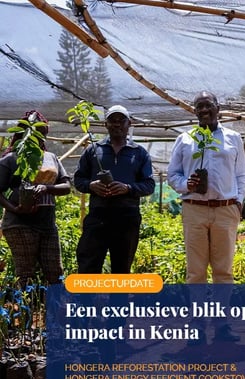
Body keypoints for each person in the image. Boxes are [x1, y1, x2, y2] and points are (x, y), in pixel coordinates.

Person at [167, 91, 245, 342]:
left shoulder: (233, 138)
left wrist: (238, 202)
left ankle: (222, 324)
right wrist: (187, 185)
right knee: (196, 271)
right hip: (194, 209)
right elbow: (173, 175)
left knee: (223, 270)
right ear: (194, 111)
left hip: (225, 210)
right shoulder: (186, 139)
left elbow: (241, 175)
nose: (203, 110)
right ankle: (198, 324)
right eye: (199, 106)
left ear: (218, 108)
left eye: (208, 105)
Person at [74, 105, 155, 274]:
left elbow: (149, 185)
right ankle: (86, 300)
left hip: (127, 217)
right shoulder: (94, 150)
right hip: (98, 215)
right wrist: (91, 185)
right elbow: (78, 179)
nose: (117, 124)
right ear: (106, 124)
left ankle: (118, 301)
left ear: (129, 123)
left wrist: (127, 188)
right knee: (89, 263)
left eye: (121, 120)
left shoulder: (139, 153)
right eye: (112, 120)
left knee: (122, 267)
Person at [0, 110, 71, 286]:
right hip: (19, 223)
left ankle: (53, 311)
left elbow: (66, 186)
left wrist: (47, 188)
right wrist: (14, 208)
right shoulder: (12, 158)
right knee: (25, 274)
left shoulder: (51, 158)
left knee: (55, 273)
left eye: (40, 130)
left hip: (47, 223)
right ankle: (25, 312)